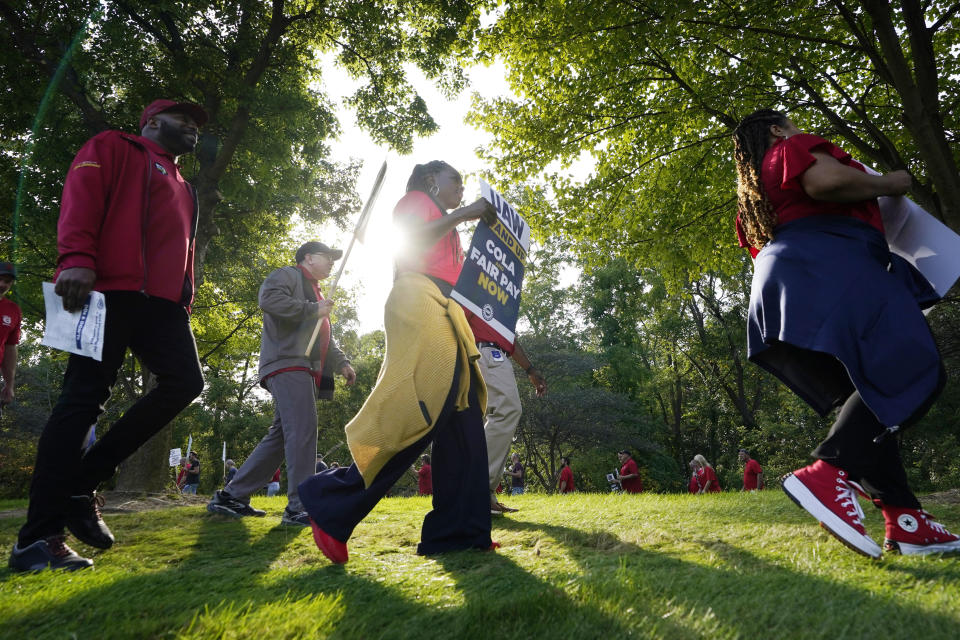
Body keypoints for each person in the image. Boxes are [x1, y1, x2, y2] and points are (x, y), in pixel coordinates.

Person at [733, 109, 960, 557]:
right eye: (792, 122)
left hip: (782, 290)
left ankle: (906, 520)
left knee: (868, 402)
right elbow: (825, 183)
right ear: (777, 130)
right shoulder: (792, 147)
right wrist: (890, 183)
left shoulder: (753, 193)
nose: (801, 131)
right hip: (833, 264)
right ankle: (827, 471)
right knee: (914, 368)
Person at [9, 99, 208, 573]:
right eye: (185, 120)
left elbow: (184, 245)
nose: (194, 128)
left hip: (163, 305)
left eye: (199, 124)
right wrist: (75, 257)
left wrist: (185, 292)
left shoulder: (185, 184)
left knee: (186, 383)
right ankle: (37, 539)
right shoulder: (112, 146)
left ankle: (83, 483)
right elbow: (82, 194)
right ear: (153, 122)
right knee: (82, 401)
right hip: (104, 292)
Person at [298, 161, 498, 564]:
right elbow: (407, 239)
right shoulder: (416, 201)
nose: (460, 187)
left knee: (463, 415)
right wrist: (465, 213)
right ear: (431, 182)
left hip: (448, 308)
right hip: (418, 298)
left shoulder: (448, 222)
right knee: (426, 406)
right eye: (454, 181)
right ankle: (332, 501)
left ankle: (459, 531)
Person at [207, 242, 356, 527]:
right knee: (302, 429)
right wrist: (313, 308)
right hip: (287, 362)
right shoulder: (287, 275)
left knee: (281, 436)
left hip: (301, 367)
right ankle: (299, 507)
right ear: (309, 258)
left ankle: (232, 496)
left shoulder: (315, 291)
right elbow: (269, 300)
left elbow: (322, 334)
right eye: (328, 257)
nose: (332, 263)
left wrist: (341, 363)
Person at [465, 310, 546, 514]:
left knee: (486, 417)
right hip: (484, 353)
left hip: (496, 355)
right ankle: (478, 489)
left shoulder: (502, 296)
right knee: (507, 411)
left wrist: (530, 370)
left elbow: (510, 337)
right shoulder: (480, 284)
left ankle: (481, 492)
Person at [0, 261, 21, 415]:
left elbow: (10, 348)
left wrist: (9, 384)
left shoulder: (13, 310)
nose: (2, 284)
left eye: (7, 281)